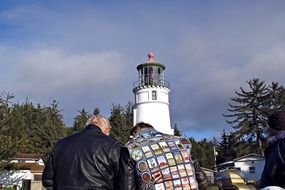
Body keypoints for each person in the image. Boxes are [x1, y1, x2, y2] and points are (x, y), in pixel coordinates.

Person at [42, 115, 137, 190]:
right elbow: (126, 183)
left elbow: (48, 180)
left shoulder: (61, 144)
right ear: (106, 129)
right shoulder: (114, 147)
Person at [126, 122, 208, 190]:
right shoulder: (179, 143)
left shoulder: (132, 148)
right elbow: (202, 179)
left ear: (134, 134)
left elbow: (128, 186)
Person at [260, 111, 285, 189]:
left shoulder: (282, 143)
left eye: (270, 126)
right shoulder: (274, 144)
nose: (268, 129)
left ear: (276, 127)